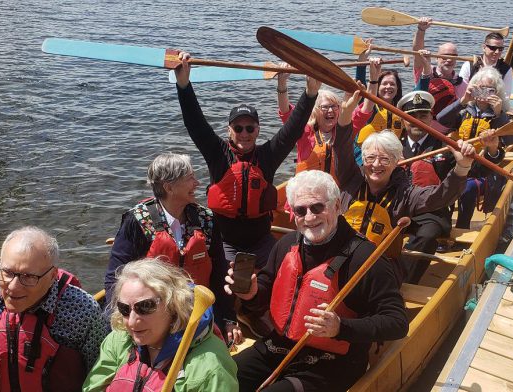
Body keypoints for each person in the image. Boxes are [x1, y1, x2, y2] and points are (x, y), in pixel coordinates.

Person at [174, 51, 319, 337]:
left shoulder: (266, 156)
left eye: (250, 127)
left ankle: (257, 314)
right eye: (238, 127)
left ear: (257, 129)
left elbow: (292, 130)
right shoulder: (218, 154)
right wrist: (184, 85)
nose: (244, 133)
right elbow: (196, 124)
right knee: (228, 283)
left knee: (280, 275)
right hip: (225, 242)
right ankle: (229, 320)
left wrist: (310, 92)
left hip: (262, 241)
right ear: (229, 130)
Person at [227, 170, 408, 392]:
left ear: (337, 205)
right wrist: (251, 293)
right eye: (300, 210)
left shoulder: (367, 259)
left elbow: (397, 323)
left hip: (333, 363)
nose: (310, 217)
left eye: (317, 207)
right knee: (220, 377)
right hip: (279, 347)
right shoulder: (286, 245)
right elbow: (265, 288)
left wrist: (340, 327)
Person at [334, 89, 476, 281]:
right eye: (371, 158)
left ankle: (406, 280)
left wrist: (462, 167)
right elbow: (341, 149)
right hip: (341, 257)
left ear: (396, 162)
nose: (376, 165)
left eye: (384, 160)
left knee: (427, 234)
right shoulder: (351, 177)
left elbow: (439, 196)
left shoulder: (405, 193)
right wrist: (344, 117)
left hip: (380, 262)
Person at [0, 226, 107, 392]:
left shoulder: (82, 310)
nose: (13, 288)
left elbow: (102, 379)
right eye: (7, 272)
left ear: (52, 276)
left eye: (28, 276)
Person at [104, 152, 240, 345]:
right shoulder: (137, 222)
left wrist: (228, 318)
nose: (197, 184)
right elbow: (114, 277)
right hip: (152, 316)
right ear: (169, 187)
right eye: (190, 178)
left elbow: (219, 272)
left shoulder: (206, 220)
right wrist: (121, 324)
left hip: (198, 313)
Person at [84, 258, 238, 391]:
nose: (131, 321)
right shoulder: (118, 340)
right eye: (124, 309)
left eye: (145, 307)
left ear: (173, 305)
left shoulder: (210, 368)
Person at [438, 66, 513, 229]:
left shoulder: (500, 114)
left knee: (467, 187)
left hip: (482, 171)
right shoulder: (464, 110)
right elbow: (441, 119)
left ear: (497, 92)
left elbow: (511, 139)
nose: (484, 94)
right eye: (480, 88)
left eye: (490, 90)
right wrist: (463, 100)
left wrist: (500, 114)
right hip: (458, 165)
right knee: (444, 184)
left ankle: (462, 226)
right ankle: (442, 226)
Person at [396, 91, 457, 283]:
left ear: (431, 118)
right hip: (398, 207)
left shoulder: (446, 146)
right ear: (403, 120)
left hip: (432, 211)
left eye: (423, 115)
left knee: (427, 235)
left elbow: (477, 172)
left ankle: (403, 282)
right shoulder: (393, 146)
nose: (417, 121)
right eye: (411, 116)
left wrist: (491, 150)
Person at [277, 67, 343, 180]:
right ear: (315, 111)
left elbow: (363, 112)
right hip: (307, 192)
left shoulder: (344, 132)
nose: (331, 110)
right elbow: (286, 112)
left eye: (334, 106)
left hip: (332, 193)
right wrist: (282, 83)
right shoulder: (305, 132)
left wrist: (373, 79)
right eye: (325, 107)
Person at [352, 59, 404, 164]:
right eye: (384, 83)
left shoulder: (402, 109)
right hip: (366, 156)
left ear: (398, 88)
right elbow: (360, 84)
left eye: (392, 84)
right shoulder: (369, 105)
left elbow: (420, 90)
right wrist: (363, 60)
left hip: (391, 157)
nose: (388, 87)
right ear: (377, 86)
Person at [459, 32, 513, 98]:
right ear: (484, 47)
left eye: (500, 49)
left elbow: (506, 96)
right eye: (493, 48)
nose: (497, 52)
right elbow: (461, 92)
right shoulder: (468, 65)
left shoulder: (506, 69)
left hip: (494, 105)